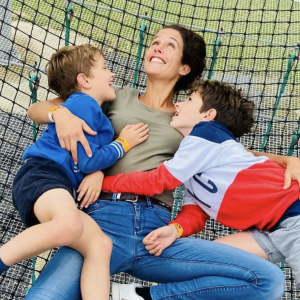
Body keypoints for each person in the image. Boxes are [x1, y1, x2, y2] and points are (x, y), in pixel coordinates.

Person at [24, 24, 295, 300]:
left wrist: (287, 159)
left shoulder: (189, 118)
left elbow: (237, 155)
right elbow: (36, 109)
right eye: (155, 41)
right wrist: (61, 115)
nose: (157, 47)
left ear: (184, 68)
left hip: (156, 234)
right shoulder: (114, 96)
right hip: (101, 221)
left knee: (268, 280)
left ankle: (141, 297)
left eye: (170, 45)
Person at [101, 79, 300, 289]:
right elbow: (195, 212)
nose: (178, 104)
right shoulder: (196, 159)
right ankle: (144, 295)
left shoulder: (206, 133)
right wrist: (175, 229)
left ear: (208, 115)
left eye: (188, 99)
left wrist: (102, 182)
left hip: (294, 216)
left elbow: (158, 181)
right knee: (211, 263)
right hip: (271, 229)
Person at [1, 44, 148, 300]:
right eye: (105, 68)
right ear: (84, 80)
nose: (112, 74)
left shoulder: (93, 110)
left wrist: (99, 170)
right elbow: (89, 161)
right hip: (43, 174)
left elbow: (90, 161)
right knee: (69, 225)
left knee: (100, 245)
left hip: (58, 184)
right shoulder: (83, 104)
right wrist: (122, 144)